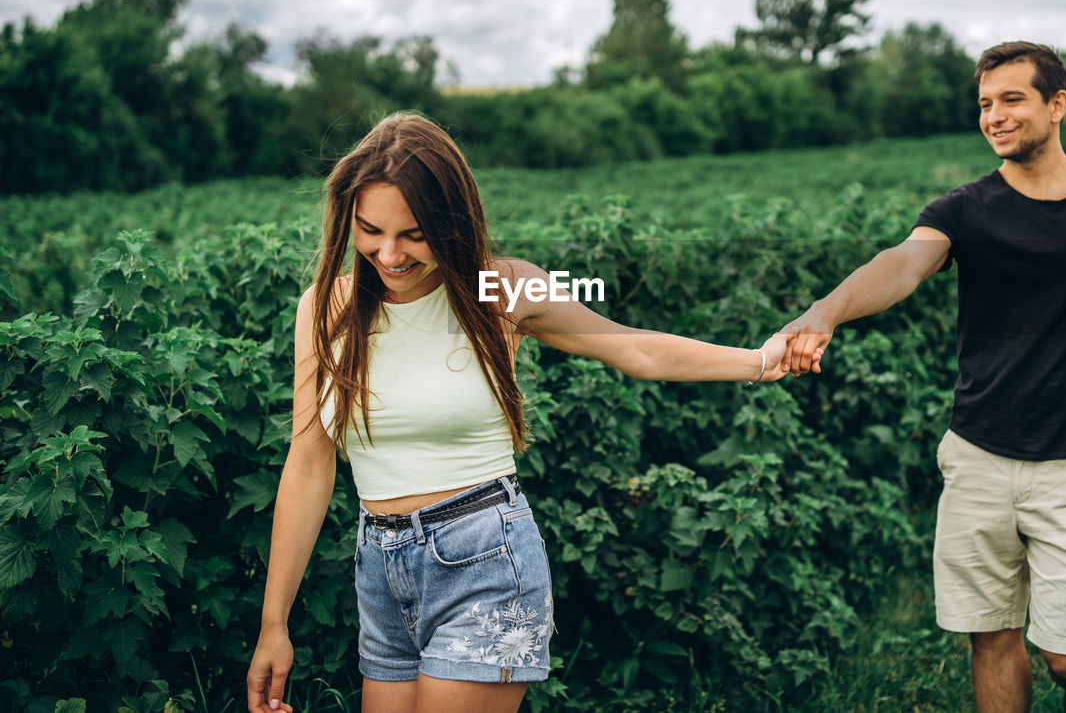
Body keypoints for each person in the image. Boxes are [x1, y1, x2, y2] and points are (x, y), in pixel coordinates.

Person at [245, 113, 794, 713]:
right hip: (379, 567)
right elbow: (308, 464)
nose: (390, 253)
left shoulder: (498, 291)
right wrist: (274, 624)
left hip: (483, 558)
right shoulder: (327, 308)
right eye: (371, 231)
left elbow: (630, 346)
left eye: (415, 234)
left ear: (452, 222)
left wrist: (762, 360)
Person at [780, 42, 1066, 713]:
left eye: (1012, 99)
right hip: (977, 455)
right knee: (992, 637)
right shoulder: (965, 209)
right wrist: (827, 310)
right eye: (985, 104)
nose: (994, 116)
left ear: (1057, 105)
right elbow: (901, 265)